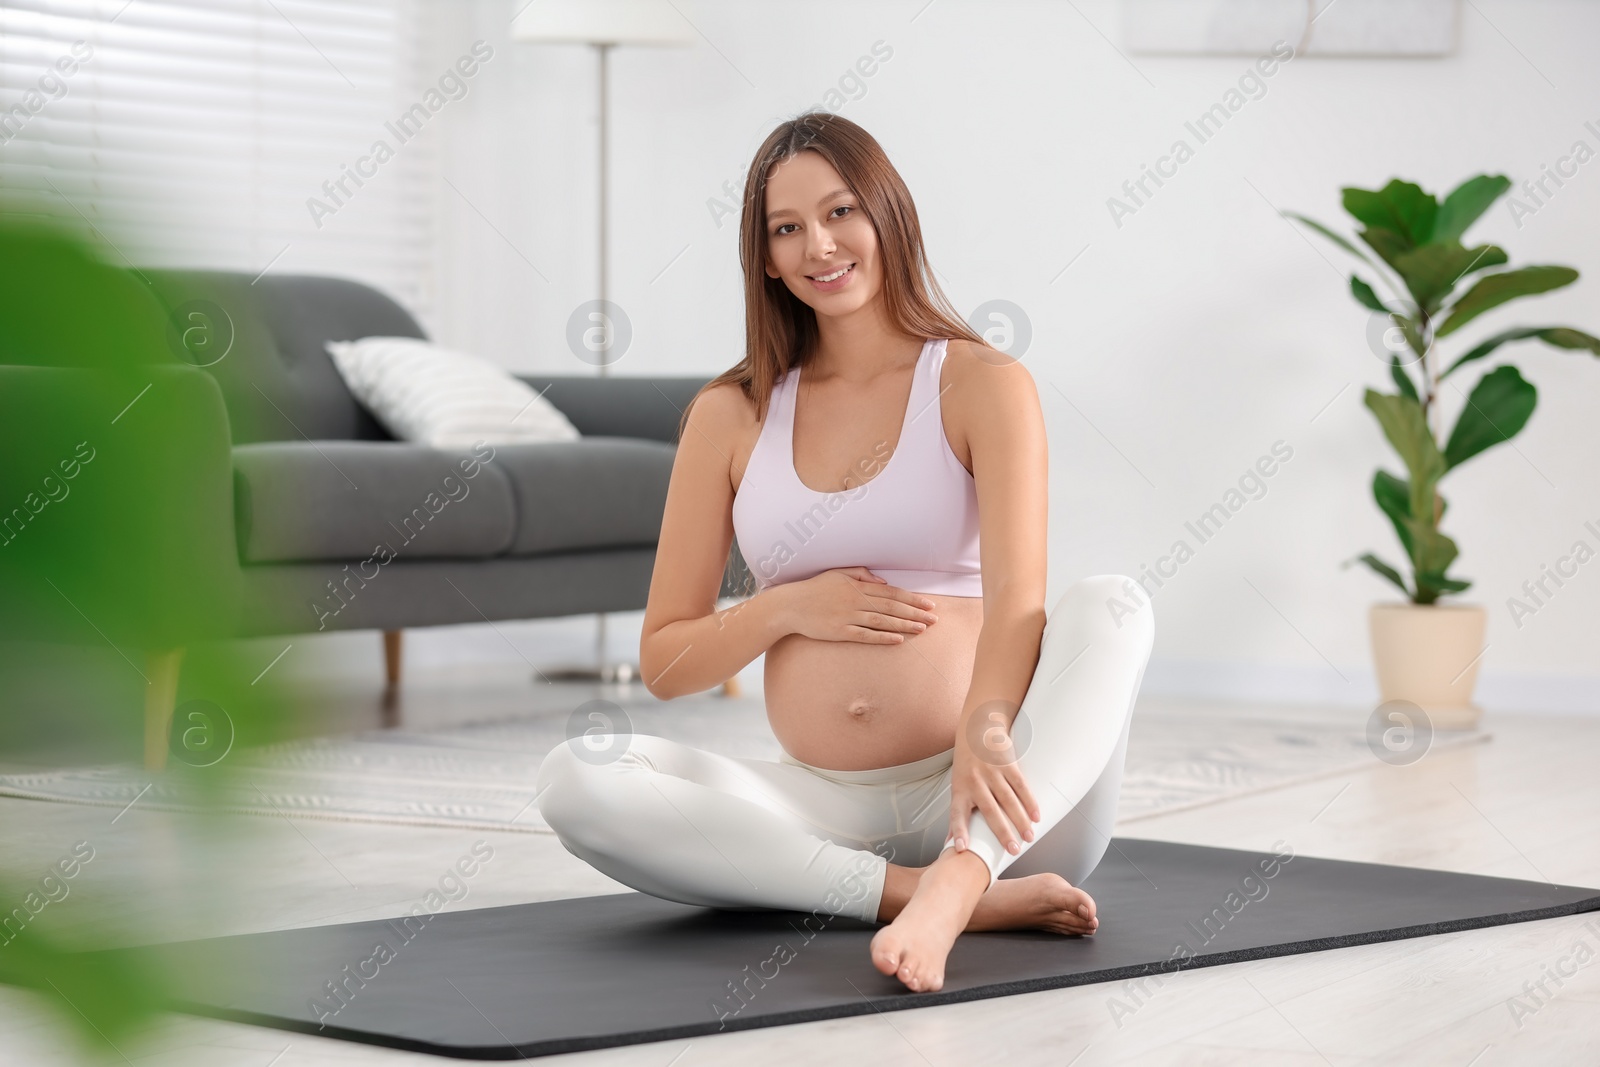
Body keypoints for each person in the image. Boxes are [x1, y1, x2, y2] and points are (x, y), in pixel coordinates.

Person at [537, 111, 1154, 994]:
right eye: (785, 229)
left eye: (839, 212)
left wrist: (986, 736)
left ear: (887, 214)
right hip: (820, 809)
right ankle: (917, 894)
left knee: (1116, 604)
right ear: (766, 259)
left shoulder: (981, 383)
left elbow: (1022, 603)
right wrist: (786, 604)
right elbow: (666, 661)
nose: (818, 246)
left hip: (1000, 801)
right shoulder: (730, 414)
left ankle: (964, 877)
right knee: (576, 777)